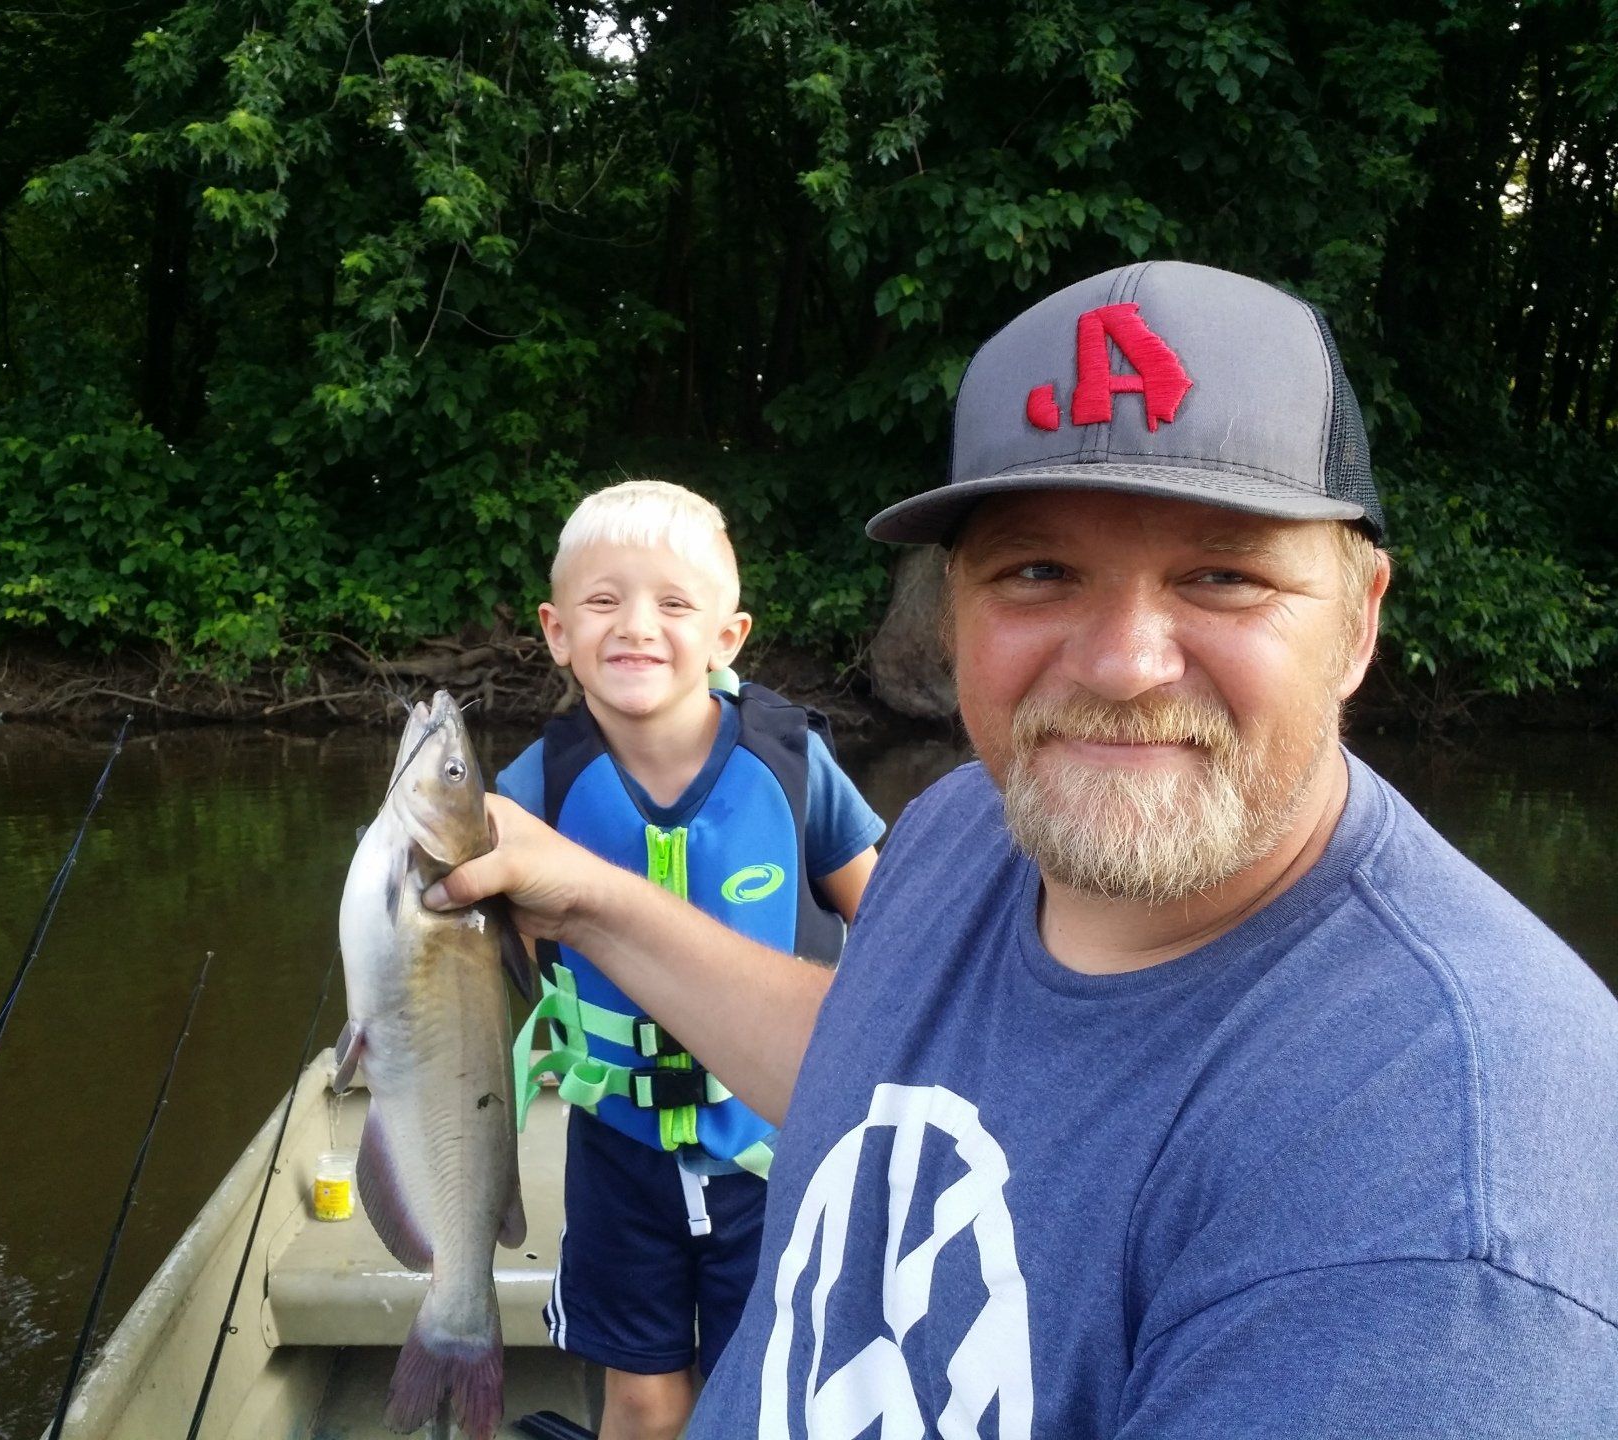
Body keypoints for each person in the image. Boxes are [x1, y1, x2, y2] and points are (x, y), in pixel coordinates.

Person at [436, 261, 1618, 1436]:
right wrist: (587, 898)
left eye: (1223, 575)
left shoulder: (1440, 1210)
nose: (1120, 662)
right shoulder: (972, 825)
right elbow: (869, 1072)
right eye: (1039, 572)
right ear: (953, 612)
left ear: (1357, 624)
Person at [497, 479, 884, 1440]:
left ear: (727, 637)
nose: (637, 626)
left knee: (769, 1384)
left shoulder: (790, 761)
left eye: (674, 604)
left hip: (779, 1153)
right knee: (642, 1398)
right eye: (603, 601)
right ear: (556, 631)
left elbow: (888, 925)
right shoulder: (529, 786)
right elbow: (457, 926)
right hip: (619, 1150)